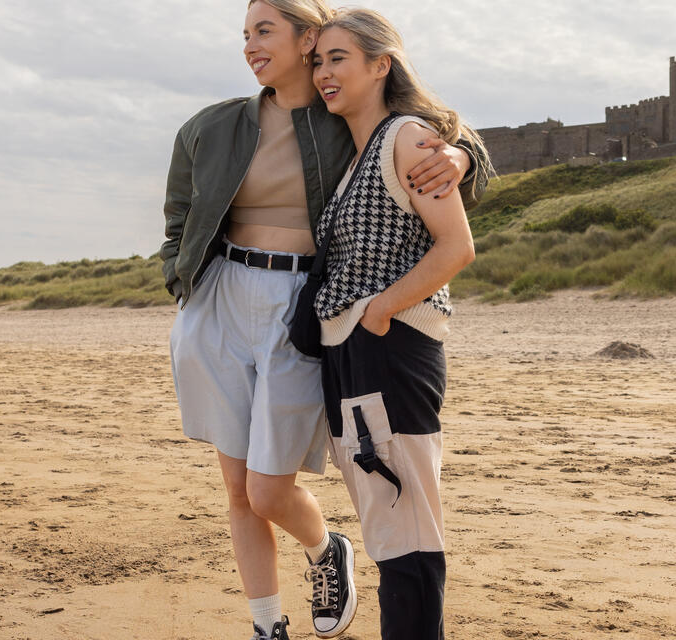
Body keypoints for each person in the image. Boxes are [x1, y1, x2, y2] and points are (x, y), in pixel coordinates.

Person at [160, 2, 485, 638]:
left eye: (265, 31)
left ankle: (326, 552)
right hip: (234, 299)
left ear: (307, 38)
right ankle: (266, 625)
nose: (251, 46)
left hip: (319, 312)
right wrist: (179, 271)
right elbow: (179, 208)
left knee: (280, 490)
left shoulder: (351, 119)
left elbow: (433, 140)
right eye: (245, 34)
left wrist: (463, 156)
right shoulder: (218, 125)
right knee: (247, 488)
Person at [310, 9, 482, 639]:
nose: (325, 73)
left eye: (339, 58)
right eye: (318, 61)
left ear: (381, 64)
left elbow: (455, 246)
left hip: (391, 348)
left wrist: (379, 311)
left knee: (408, 531)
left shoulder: (405, 137)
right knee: (389, 530)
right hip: (356, 354)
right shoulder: (358, 154)